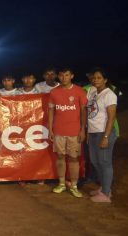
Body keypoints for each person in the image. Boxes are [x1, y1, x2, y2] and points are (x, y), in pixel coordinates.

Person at [48, 68, 87, 198]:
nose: (64, 78)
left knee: (74, 158)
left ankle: (74, 186)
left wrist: (82, 129)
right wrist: (50, 129)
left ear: (72, 76)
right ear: (58, 77)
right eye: (61, 75)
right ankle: (61, 183)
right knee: (60, 157)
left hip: (74, 132)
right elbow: (51, 112)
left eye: (66, 75)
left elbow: (83, 112)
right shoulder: (54, 92)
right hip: (59, 131)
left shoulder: (79, 91)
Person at [86, 69, 117, 203]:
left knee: (105, 162)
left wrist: (106, 137)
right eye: (94, 78)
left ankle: (106, 193)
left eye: (99, 78)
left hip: (104, 132)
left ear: (105, 80)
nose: (96, 80)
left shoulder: (109, 94)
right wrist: (87, 133)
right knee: (95, 161)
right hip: (93, 132)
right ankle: (104, 187)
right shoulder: (92, 91)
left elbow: (111, 117)